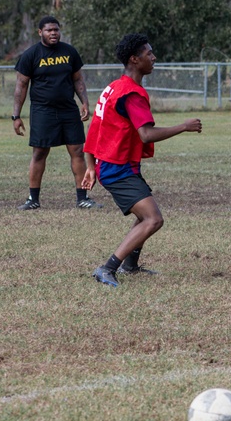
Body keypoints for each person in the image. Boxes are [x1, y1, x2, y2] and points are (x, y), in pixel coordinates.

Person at [81, 34, 202, 286]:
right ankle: (107, 268)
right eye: (148, 54)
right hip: (117, 169)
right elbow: (146, 135)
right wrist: (184, 126)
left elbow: (95, 129)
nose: (154, 57)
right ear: (135, 60)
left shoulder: (113, 87)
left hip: (115, 165)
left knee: (143, 214)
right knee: (153, 219)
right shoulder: (131, 94)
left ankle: (130, 265)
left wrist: (91, 166)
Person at [12, 16, 101, 210]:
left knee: (77, 150)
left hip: (68, 109)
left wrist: (84, 102)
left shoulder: (69, 52)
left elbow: (78, 80)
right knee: (40, 152)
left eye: (56, 30)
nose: (53, 33)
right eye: (49, 30)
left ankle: (82, 198)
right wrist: (16, 116)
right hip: (42, 110)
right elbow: (21, 85)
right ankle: (33, 199)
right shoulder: (31, 55)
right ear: (40, 32)